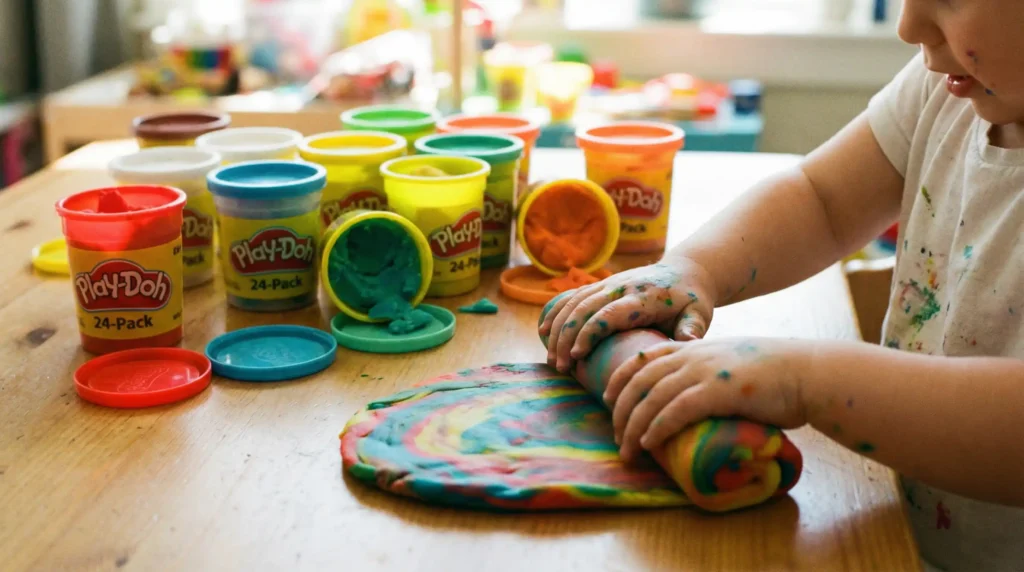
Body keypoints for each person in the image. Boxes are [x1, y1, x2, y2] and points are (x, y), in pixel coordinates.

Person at [539, 0, 1024, 569]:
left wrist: (806, 379)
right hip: (903, 535)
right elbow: (821, 198)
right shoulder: (948, 86)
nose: (908, 26)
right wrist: (694, 268)